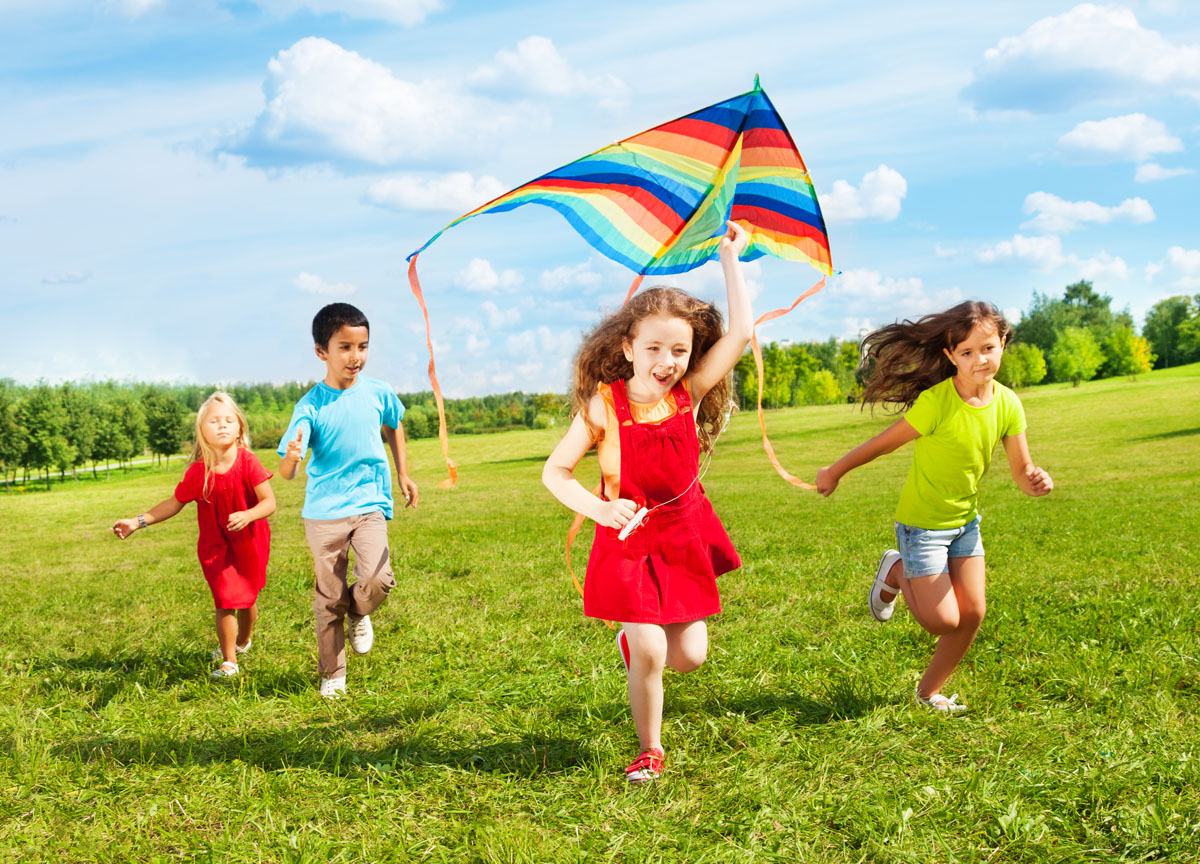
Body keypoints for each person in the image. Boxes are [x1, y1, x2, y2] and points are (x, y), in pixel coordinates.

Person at [543, 221, 752, 783]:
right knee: (653, 653)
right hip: (629, 541)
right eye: (654, 346)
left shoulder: (690, 393)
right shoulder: (602, 406)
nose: (667, 359)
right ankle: (650, 750)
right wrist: (599, 508)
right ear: (628, 347)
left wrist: (731, 258)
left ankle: (629, 647)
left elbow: (740, 335)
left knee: (689, 657)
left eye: (679, 349)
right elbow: (555, 472)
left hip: (684, 535)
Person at [816, 301, 1053, 712]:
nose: (980, 359)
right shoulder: (937, 401)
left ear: (1003, 343)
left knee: (973, 613)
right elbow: (882, 444)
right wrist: (835, 470)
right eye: (966, 352)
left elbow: (1021, 469)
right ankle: (896, 567)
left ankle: (928, 693)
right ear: (949, 356)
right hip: (923, 527)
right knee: (941, 621)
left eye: (988, 348)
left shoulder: (1009, 403)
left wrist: (1035, 480)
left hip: (965, 524)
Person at [278, 302, 419, 699]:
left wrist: (403, 473)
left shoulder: (379, 392)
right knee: (329, 597)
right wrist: (291, 457)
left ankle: (359, 612)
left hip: (370, 503)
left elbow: (394, 426)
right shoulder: (309, 406)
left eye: (363, 346)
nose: (355, 356)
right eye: (345, 347)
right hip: (323, 514)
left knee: (377, 578)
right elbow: (288, 471)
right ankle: (333, 673)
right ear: (322, 352)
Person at [112, 392, 276, 679]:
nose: (222, 425)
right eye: (213, 420)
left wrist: (248, 514)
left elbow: (269, 503)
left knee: (247, 600)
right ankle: (229, 661)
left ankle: (242, 641)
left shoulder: (249, 463)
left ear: (239, 428)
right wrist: (138, 521)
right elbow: (174, 503)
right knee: (225, 599)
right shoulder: (198, 472)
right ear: (202, 431)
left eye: (228, 420)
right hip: (215, 545)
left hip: (249, 541)